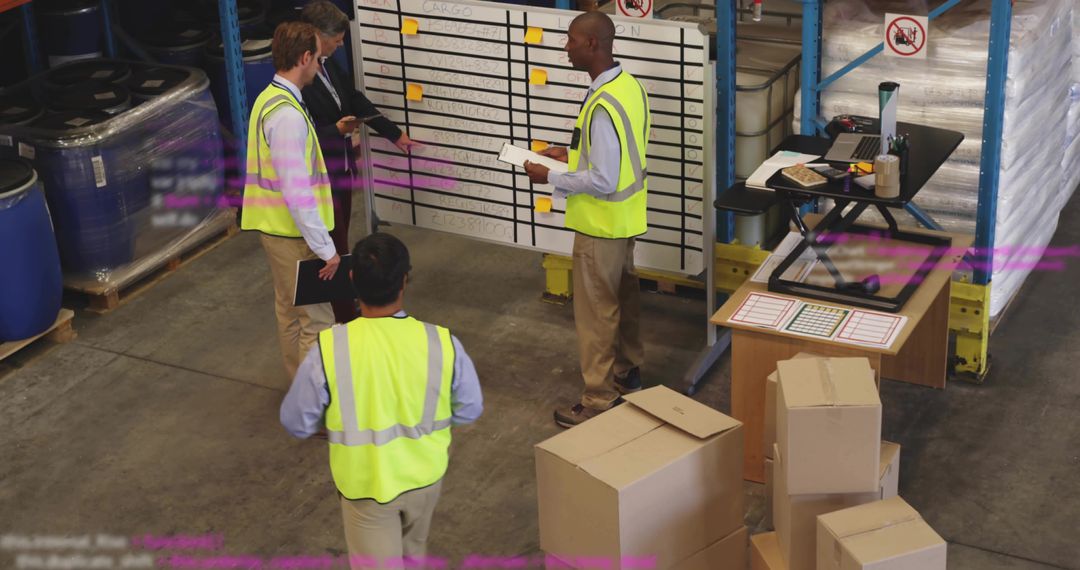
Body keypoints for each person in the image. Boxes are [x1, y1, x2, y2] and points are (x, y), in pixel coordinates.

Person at [280, 232, 483, 570]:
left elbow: (296, 421)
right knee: (413, 556)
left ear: (351, 279)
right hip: (425, 479)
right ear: (404, 280)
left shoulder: (330, 348)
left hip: (366, 487)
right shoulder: (441, 341)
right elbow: (470, 408)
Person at [523, 12, 650, 428]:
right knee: (623, 300)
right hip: (625, 219)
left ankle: (598, 398)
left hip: (599, 225)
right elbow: (616, 155)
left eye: (572, 40)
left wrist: (549, 175)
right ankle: (627, 373)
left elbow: (603, 179)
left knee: (597, 314)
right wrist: (569, 154)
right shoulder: (628, 86)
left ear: (592, 44)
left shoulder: (602, 105)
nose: (567, 48)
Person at [299, 0, 417, 323]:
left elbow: (352, 98)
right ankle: (343, 318)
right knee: (332, 249)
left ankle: (342, 306)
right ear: (317, 36)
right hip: (321, 178)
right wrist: (335, 131)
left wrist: (393, 133)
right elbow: (301, 138)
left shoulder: (327, 65)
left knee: (339, 242)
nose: (341, 45)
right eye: (337, 39)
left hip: (342, 170)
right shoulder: (300, 79)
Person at [241, 21, 339, 383]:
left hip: (277, 232)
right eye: (318, 59)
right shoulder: (287, 117)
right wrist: (325, 248)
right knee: (317, 321)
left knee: (289, 314)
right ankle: (316, 399)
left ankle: (300, 388)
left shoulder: (269, 98)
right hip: (295, 238)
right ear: (304, 57)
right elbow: (298, 192)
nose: (320, 66)